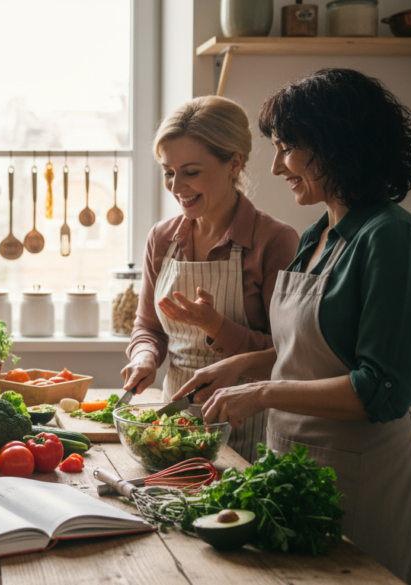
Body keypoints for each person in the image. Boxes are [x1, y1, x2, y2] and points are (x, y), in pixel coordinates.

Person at [174, 69, 411, 585]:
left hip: (362, 474)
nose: (275, 167)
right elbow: (315, 348)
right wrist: (242, 365)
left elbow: (381, 390)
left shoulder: (392, 239)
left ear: (334, 146)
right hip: (298, 461)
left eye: (287, 148)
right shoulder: (322, 233)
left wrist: (264, 392)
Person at [121, 96, 299, 463]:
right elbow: (149, 327)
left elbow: (288, 355)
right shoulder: (162, 238)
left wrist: (216, 326)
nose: (176, 186)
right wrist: (144, 358)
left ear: (234, 164)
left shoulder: (274, 241)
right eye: (168, 172)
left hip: (249, 428)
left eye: (191, 172)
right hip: (175, 424)